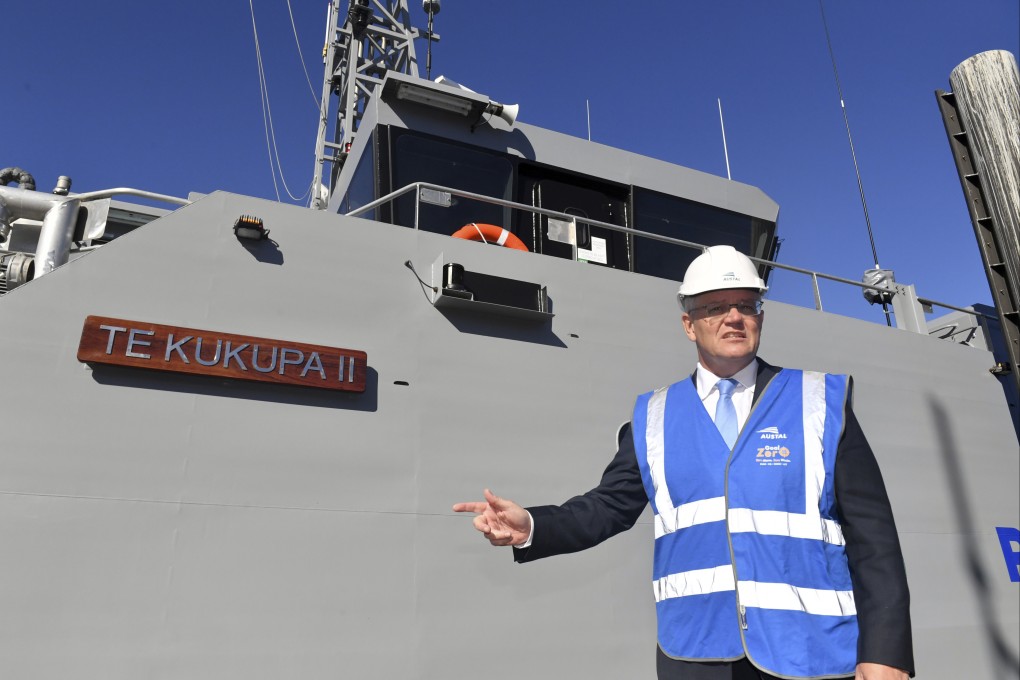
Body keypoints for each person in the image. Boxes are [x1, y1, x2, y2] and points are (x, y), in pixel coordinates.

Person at [453, 245, 914, 680]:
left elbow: (873, 539)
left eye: (746, 305)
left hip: (811, 654)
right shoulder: (653, 417)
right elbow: (608, 507)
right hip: (694, 655)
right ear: (689, 325)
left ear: (760, 316)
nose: (733, 317)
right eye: (715, 307)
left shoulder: (822, 401)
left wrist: (886, 652)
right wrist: (533, 526)